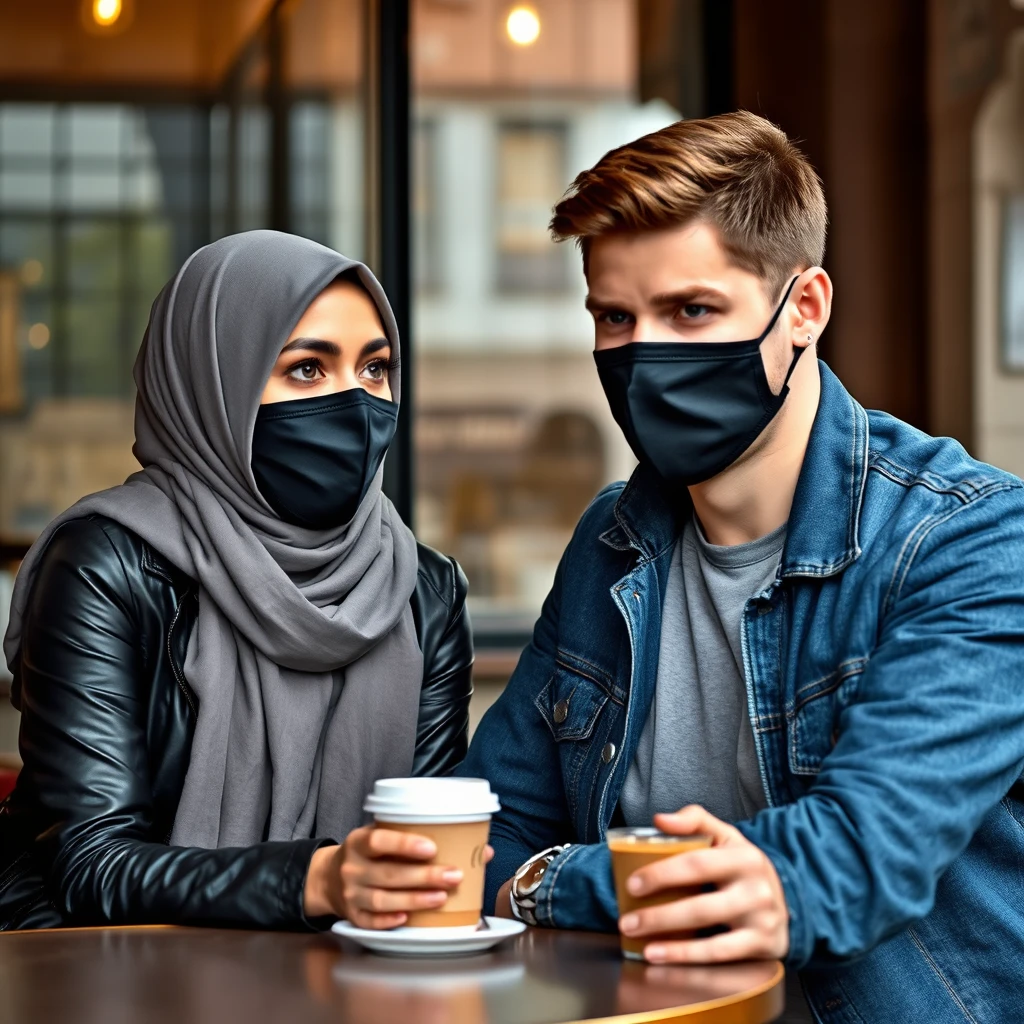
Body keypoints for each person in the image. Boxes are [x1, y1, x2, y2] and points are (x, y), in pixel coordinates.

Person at [457, 111, 1024, 1022]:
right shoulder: (611, 542)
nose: (645, 357)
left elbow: (844, 864)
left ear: (804, 309)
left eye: (692, 311)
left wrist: (553, 881)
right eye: (614, 317)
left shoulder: (971, 538)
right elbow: (478, 833)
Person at [0, 231, 476, 932]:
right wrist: (318, 879)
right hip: (111, 974)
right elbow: (89, 863)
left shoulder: (423, 592)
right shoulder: (106, 564)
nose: (355, 402)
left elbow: (427, 848)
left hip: (344, 984)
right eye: (307, 369)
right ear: (211, 386)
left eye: (375, 369)